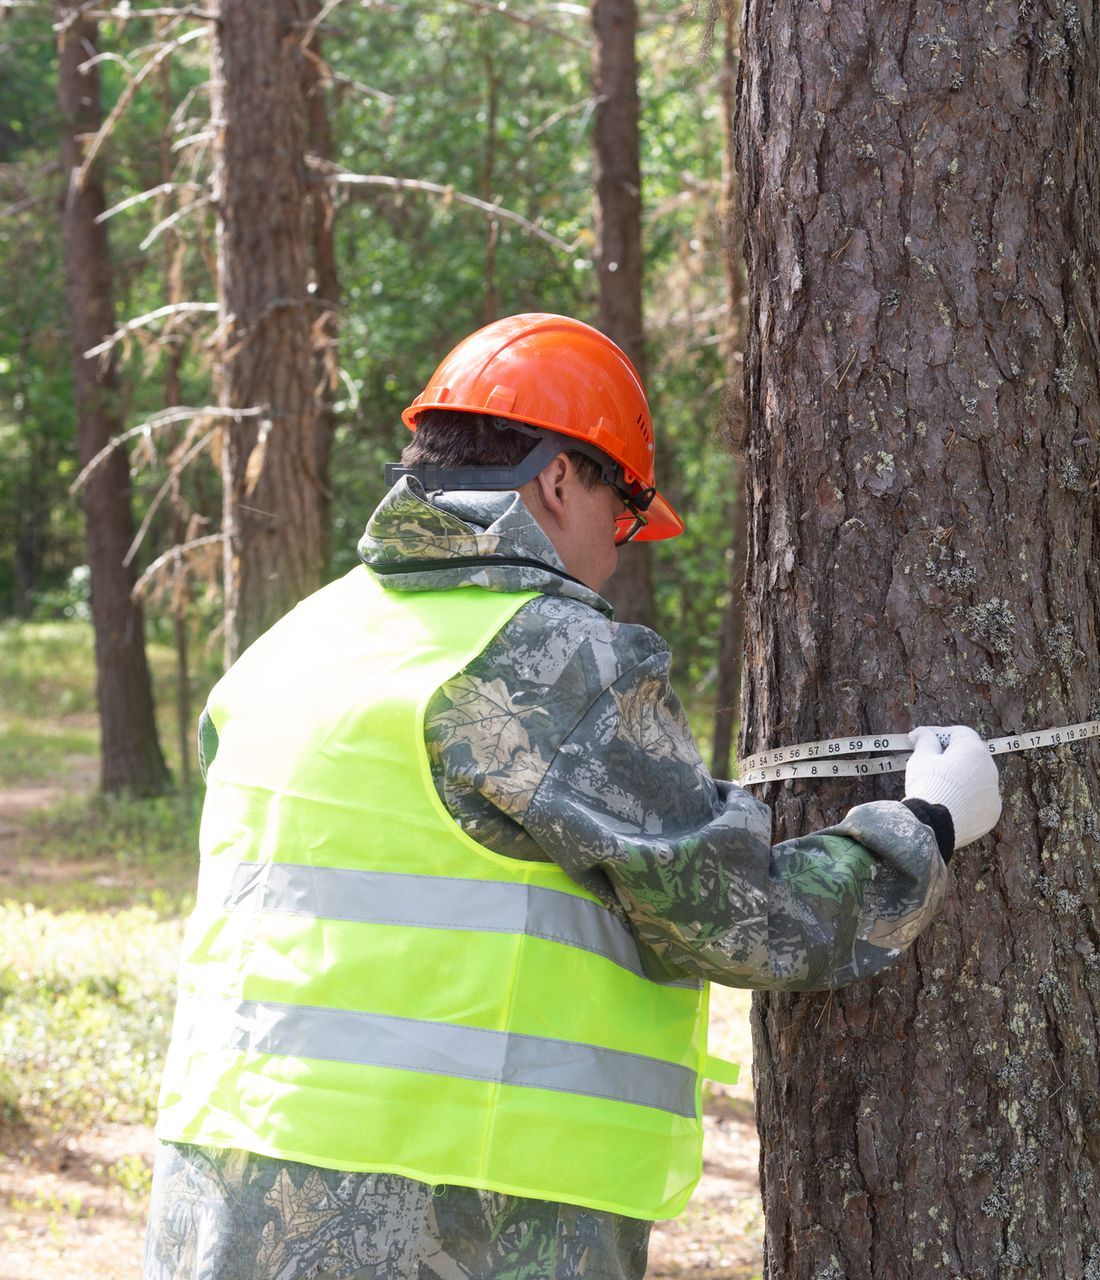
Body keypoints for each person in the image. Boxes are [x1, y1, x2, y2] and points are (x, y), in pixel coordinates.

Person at [142, 313, 1003, 1280]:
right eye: (624, 512)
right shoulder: (548, 655)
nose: (620, 549)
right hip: (449, 1216)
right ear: (558, 481)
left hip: (221, 1193)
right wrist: (922, 825)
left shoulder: (297, 641)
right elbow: (747, 919)